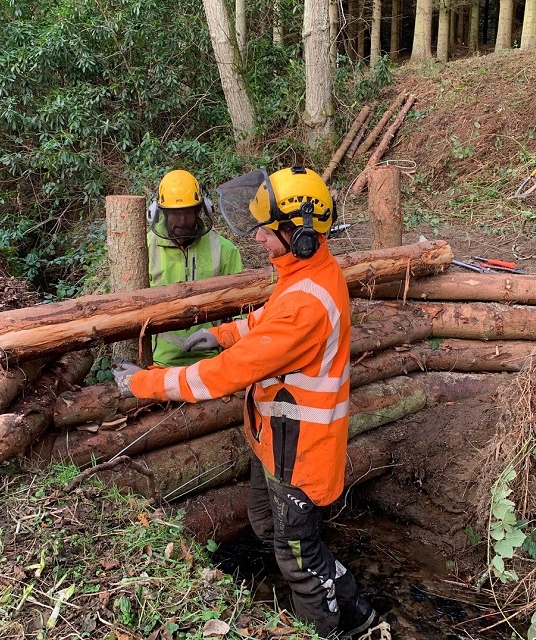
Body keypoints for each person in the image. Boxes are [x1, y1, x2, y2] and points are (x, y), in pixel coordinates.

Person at [113, 166, 378, 638]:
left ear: (298, 234)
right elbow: (266, 322)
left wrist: (143, 384)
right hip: (274, 436)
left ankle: (341, 625)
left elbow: (221, 375)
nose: (256, 238)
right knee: (268, 525)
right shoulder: (305, 273)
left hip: (300, 449)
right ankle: (349, 603)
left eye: (265, 228)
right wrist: (220, 332)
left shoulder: (307, 302)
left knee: (299, 556)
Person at [146, 169, 243, 367]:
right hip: (160, 362)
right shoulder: (145, 249)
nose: (182, 221)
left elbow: (242, 312)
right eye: (175, 213)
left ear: (202, 209)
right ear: (159, 211)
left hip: (212, 361)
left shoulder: (225, 250)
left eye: (188, 212)